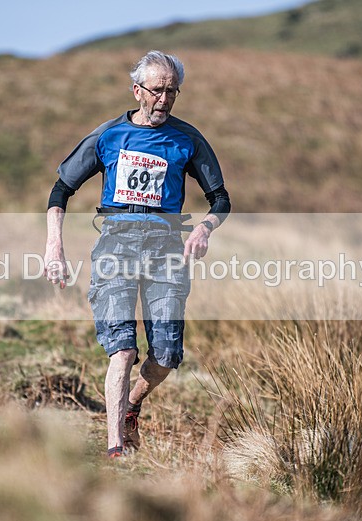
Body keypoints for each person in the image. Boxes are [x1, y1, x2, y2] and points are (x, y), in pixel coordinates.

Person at [44, 50, 231, 458]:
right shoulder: (109, 135)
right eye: (157, 90)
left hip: (167, 253)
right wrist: (54, 245)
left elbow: (220, 200)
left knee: (165, 354)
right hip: (116, 248)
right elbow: (61, 189)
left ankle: (131, 405)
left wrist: (204, 227)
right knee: (123, 349)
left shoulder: (188, 139)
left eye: (172, 92)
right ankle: (115, 448)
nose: (164, 99)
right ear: (137, 90)